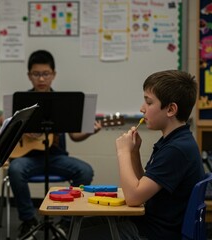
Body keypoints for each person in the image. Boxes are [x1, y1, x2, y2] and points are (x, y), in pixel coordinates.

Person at [80, 70, 205, 239]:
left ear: (170, 109)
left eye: (148, 102)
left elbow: (133, 198)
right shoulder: (174, 141)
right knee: (84, 224)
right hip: (151, 225)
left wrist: (123, 151)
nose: (142, 108)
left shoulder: (177, 149)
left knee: (83, 234)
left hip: (155, 233)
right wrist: (134, 153)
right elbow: (144, 188)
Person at [0, 49, 102, 240]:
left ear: (53, 75)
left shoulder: (64, 102)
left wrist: (89, 131)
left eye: (46, 74)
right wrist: (19, 126)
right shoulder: (22, 99)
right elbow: (1, 120)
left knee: (85, 171)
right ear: (29, 76)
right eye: (36, 74)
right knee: (14, 169)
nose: (41, 79)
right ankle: (28, 220)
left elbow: (75, 136)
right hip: (27, 158)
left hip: (57, 157)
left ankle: (66, 222)